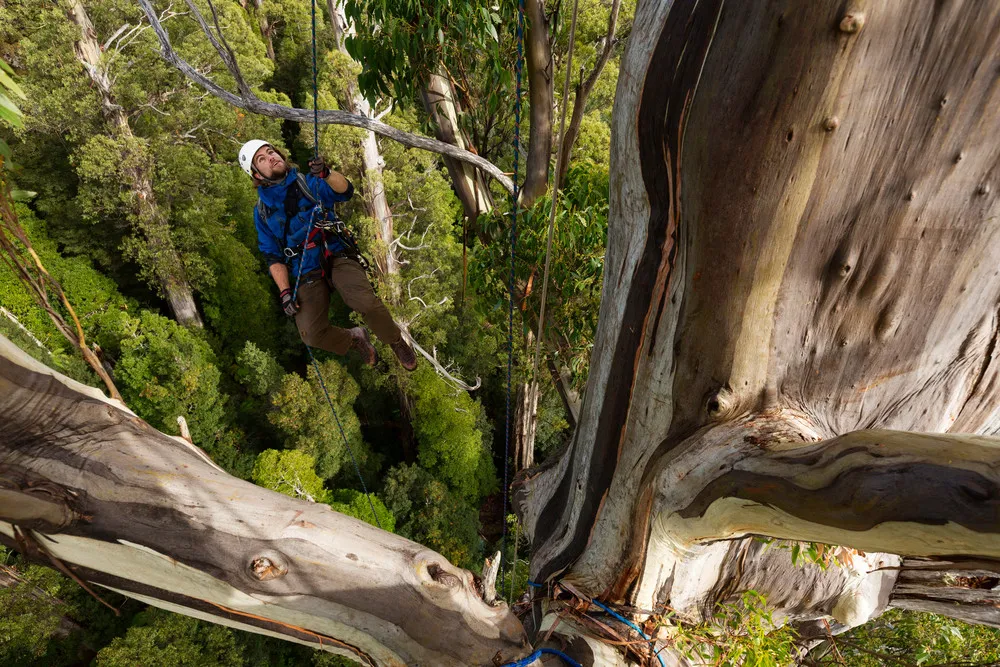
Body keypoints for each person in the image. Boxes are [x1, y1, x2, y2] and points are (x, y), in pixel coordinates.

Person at [239, 139, 416, 370]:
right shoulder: (262, 212)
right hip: (304, 266)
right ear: (257, 175)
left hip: (334, 250)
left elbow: (345, 190)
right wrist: (284, 292)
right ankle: (355, 338)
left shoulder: (308, 182)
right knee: (311, 334)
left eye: (271, 152)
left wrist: (326, 173)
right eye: (262, 159)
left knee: (364, 302)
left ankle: (395, 341)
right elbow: (272, 256)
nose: (271, 157)